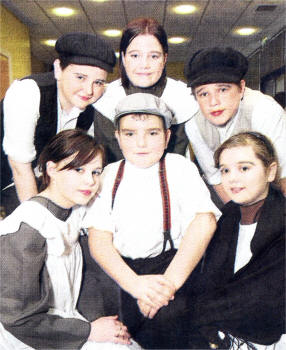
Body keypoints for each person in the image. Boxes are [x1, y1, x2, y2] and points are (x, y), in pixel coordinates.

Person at [84, 93, 220, 349]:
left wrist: (165, 288)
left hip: (173, 270)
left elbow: (205, 223)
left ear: (168, 137)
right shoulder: (107, 174)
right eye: (130, 134)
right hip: (123, 275)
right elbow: (99, 240)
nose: (142, 143)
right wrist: (135, 286)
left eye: (153, 133)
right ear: (117, 137)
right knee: (125, 336)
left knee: (174, 325)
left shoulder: (180, 168)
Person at [0, 129, 141, 350]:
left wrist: (99, 324)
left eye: (96, 172)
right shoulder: (26, 228)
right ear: (51, 169)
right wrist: (90, 331)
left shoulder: (74, 213)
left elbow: (84, 276)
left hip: (67, 324)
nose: (90, 181)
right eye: (78, 170)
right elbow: (16, 319)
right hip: (30, 339)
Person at [187, 132, 285, 349]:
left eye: (244, 168)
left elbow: (262, 298)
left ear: (270, 172)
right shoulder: (227, 218)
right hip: (227, 335)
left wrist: (197, 310)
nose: (232, 178)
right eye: (225, 170)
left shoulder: (282, 221)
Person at [1, 31, 116, 216]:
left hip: (44, 177)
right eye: (80, 77)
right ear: (58, 69)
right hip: (10, 176)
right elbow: (19, 167)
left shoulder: (94, 100)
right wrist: (40, 222)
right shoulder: (28, 92)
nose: (89, 90)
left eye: (98, 82)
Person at [184, 47, 286, 206]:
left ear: (241, 88)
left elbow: (283, 175)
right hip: (232, 194)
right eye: (204, 93)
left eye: (223, 89)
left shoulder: (264, 110)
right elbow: (216, 178)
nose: (213, 102)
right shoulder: (194, 123)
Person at [92, 17, 198, 164]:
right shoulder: (105, 99)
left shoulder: (183, 97)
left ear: (164, 58)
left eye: (154, 56)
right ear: (123, 57)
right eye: (135, 55)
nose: (144, 65)